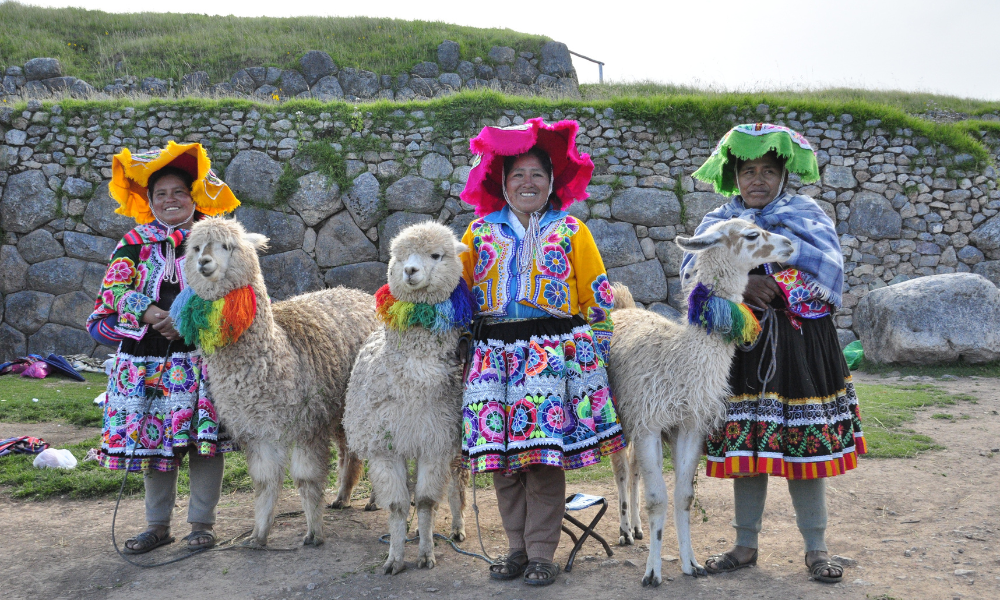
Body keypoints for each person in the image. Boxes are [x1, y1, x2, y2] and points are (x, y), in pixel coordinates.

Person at [681, 123, 866, 583]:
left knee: (802, 445)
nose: (757, 179)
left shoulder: (807, 214)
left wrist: (775, 283)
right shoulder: (718, 223)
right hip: (742, 350)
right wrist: (743, 286)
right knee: (749, 446)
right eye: (748, 171)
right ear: (735, 177)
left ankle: (816, 547)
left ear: (783, 176)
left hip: (800, 345)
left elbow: (829, 270)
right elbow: (696, 275)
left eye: (767, 170)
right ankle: (745, 545)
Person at [458, 118, 626, 586]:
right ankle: (514, 548)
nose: (527, 182)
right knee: (502, 456)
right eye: (518, 175)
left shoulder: (571, 230)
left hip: (551, 355)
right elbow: (458, 295)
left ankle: (540, 554)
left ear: (551, 182)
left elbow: (597, 294)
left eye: (537, 174)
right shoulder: (478, 233)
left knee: (540, 456)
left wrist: (597, 355)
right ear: (503, 184)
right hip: (494, 354)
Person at [87, 141, 241, 554]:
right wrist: (153, 312)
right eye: (161, 194)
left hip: (200, 358)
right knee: (154, 442)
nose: (170, 200)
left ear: (193, 196)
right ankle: (157, 526)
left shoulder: (216, 237)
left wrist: (187, 319)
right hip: (146, 364)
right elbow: (114, 291)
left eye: (179, 192)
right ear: (150, 201)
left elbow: (237, 291)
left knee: (201, 442)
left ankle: (202, 524)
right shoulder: (134, 241)